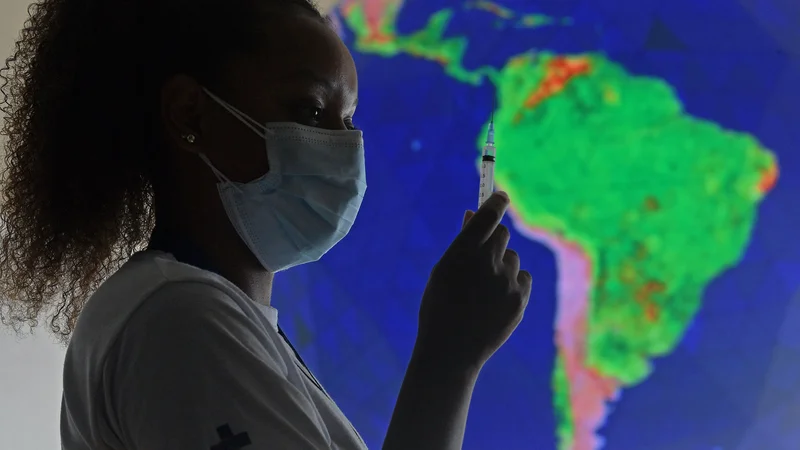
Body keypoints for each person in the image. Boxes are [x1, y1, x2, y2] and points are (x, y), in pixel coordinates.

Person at [0, 0, 533, 449]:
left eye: (347, 121)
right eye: (311, 110)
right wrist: (448, 357)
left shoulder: (204, 311)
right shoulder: (181, 319)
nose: (343, 148)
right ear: (190, 114)